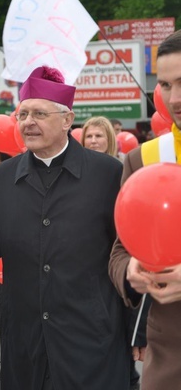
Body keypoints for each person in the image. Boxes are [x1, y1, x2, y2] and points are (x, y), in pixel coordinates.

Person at [0, 65, 130, 390]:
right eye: (23, 114)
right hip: (26, 341)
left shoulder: (107, 174)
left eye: (39, 114)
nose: (28, 122)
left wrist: (135, 331)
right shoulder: (3, 176)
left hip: (91, 339)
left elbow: (125, 251)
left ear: (67, 120)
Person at [109, 29, 181, 390]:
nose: (175, 98)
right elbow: (119, 251)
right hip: (168, 364)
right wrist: (131, 272)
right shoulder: (143, 160)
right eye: (166, 85)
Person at [81, 115, 140, 389]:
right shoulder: (77, 174)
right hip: (88, 269)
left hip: (116, 264)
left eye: (99, 136)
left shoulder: (120, 170)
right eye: (89, 136)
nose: (93, 141)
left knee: (122, 338)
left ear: (110, 140)